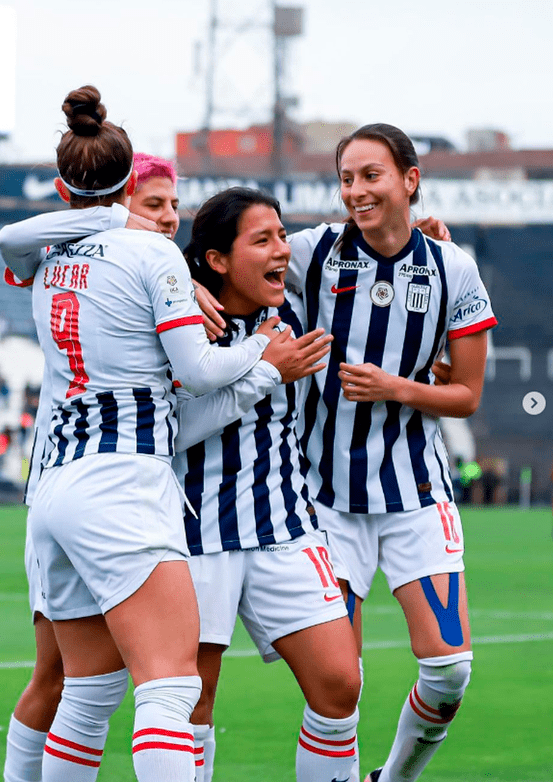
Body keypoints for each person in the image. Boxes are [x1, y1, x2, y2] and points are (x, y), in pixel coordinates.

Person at [0, 84, 293, 782]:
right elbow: (196, 367)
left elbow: (15, 240)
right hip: (121, 482)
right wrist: (263, 354)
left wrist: (106, 217)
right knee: (170, 686)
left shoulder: (46, 264)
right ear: (130, 186)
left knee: (90, 691)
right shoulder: (151, 255)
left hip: (56, 488)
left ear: (63, 186)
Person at [280, 124, 497, 782]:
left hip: (414, 498)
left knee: (450, 669)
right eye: (346, 178)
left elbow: (466, 396)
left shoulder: (451, 267)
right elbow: (229, 256)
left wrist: (396, 387)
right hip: (324, 503)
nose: (356, 190)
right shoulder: (311, 252)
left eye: (371, 175)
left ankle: (394, 778)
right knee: (336, 689)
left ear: (409, 179)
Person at [2, 152, 184, 782]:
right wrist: (262, 367)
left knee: (82, 686)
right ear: (115, 204)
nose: (164, 219)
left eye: (172, 206)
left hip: (61, 483)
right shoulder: (95, 256)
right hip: (98, 479)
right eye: (150, 203)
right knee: (74, 681)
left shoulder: (112, 269)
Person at [173, 187, 361, 782]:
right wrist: (264, 372)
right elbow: (172, 433)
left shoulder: (297, 306)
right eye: (262, 240)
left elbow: (355, 233)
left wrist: (423, 234)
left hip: (285, 524)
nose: (281, 250)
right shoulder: (181, 325)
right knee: (190, 706)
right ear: (218, 260)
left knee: (340, 685)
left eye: (282, 236)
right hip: (196, 533)